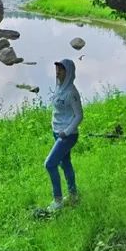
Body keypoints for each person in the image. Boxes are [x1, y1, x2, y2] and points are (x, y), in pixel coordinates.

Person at [44, 58, 83, 212]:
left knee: (50, 164)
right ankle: (73, 195)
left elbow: (79, 115)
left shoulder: (71, 92)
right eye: (57, 69)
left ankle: (58, 200)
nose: (57, 72)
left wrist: (66, 132)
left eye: (61, 69)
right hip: (57, 132)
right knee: (65, 163)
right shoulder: (59, 87)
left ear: (69, 72)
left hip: (67, 136)